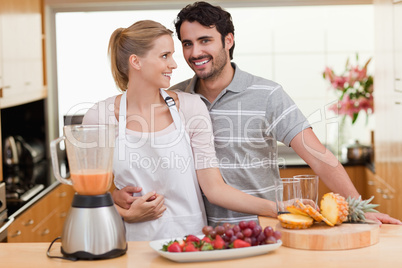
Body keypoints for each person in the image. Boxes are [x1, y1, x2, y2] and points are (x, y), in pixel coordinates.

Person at [114, 2, 401, 226]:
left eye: (205, 40)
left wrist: (357, 208)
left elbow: (319, 156)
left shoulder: (267, 95)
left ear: (228, 40)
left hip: (264, 227)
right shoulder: (176, 98)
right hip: (201, 232)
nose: (194, 52)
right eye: (187, 44)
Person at [82, 20, 277, 241]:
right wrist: (124, 212)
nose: (174, 64)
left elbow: (214, 189)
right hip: (130, 244)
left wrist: (276, 208)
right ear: (136, 61)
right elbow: (87, 197)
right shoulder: (100, 117)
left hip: (189, 244)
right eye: (164, 56)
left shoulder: (191, 108)